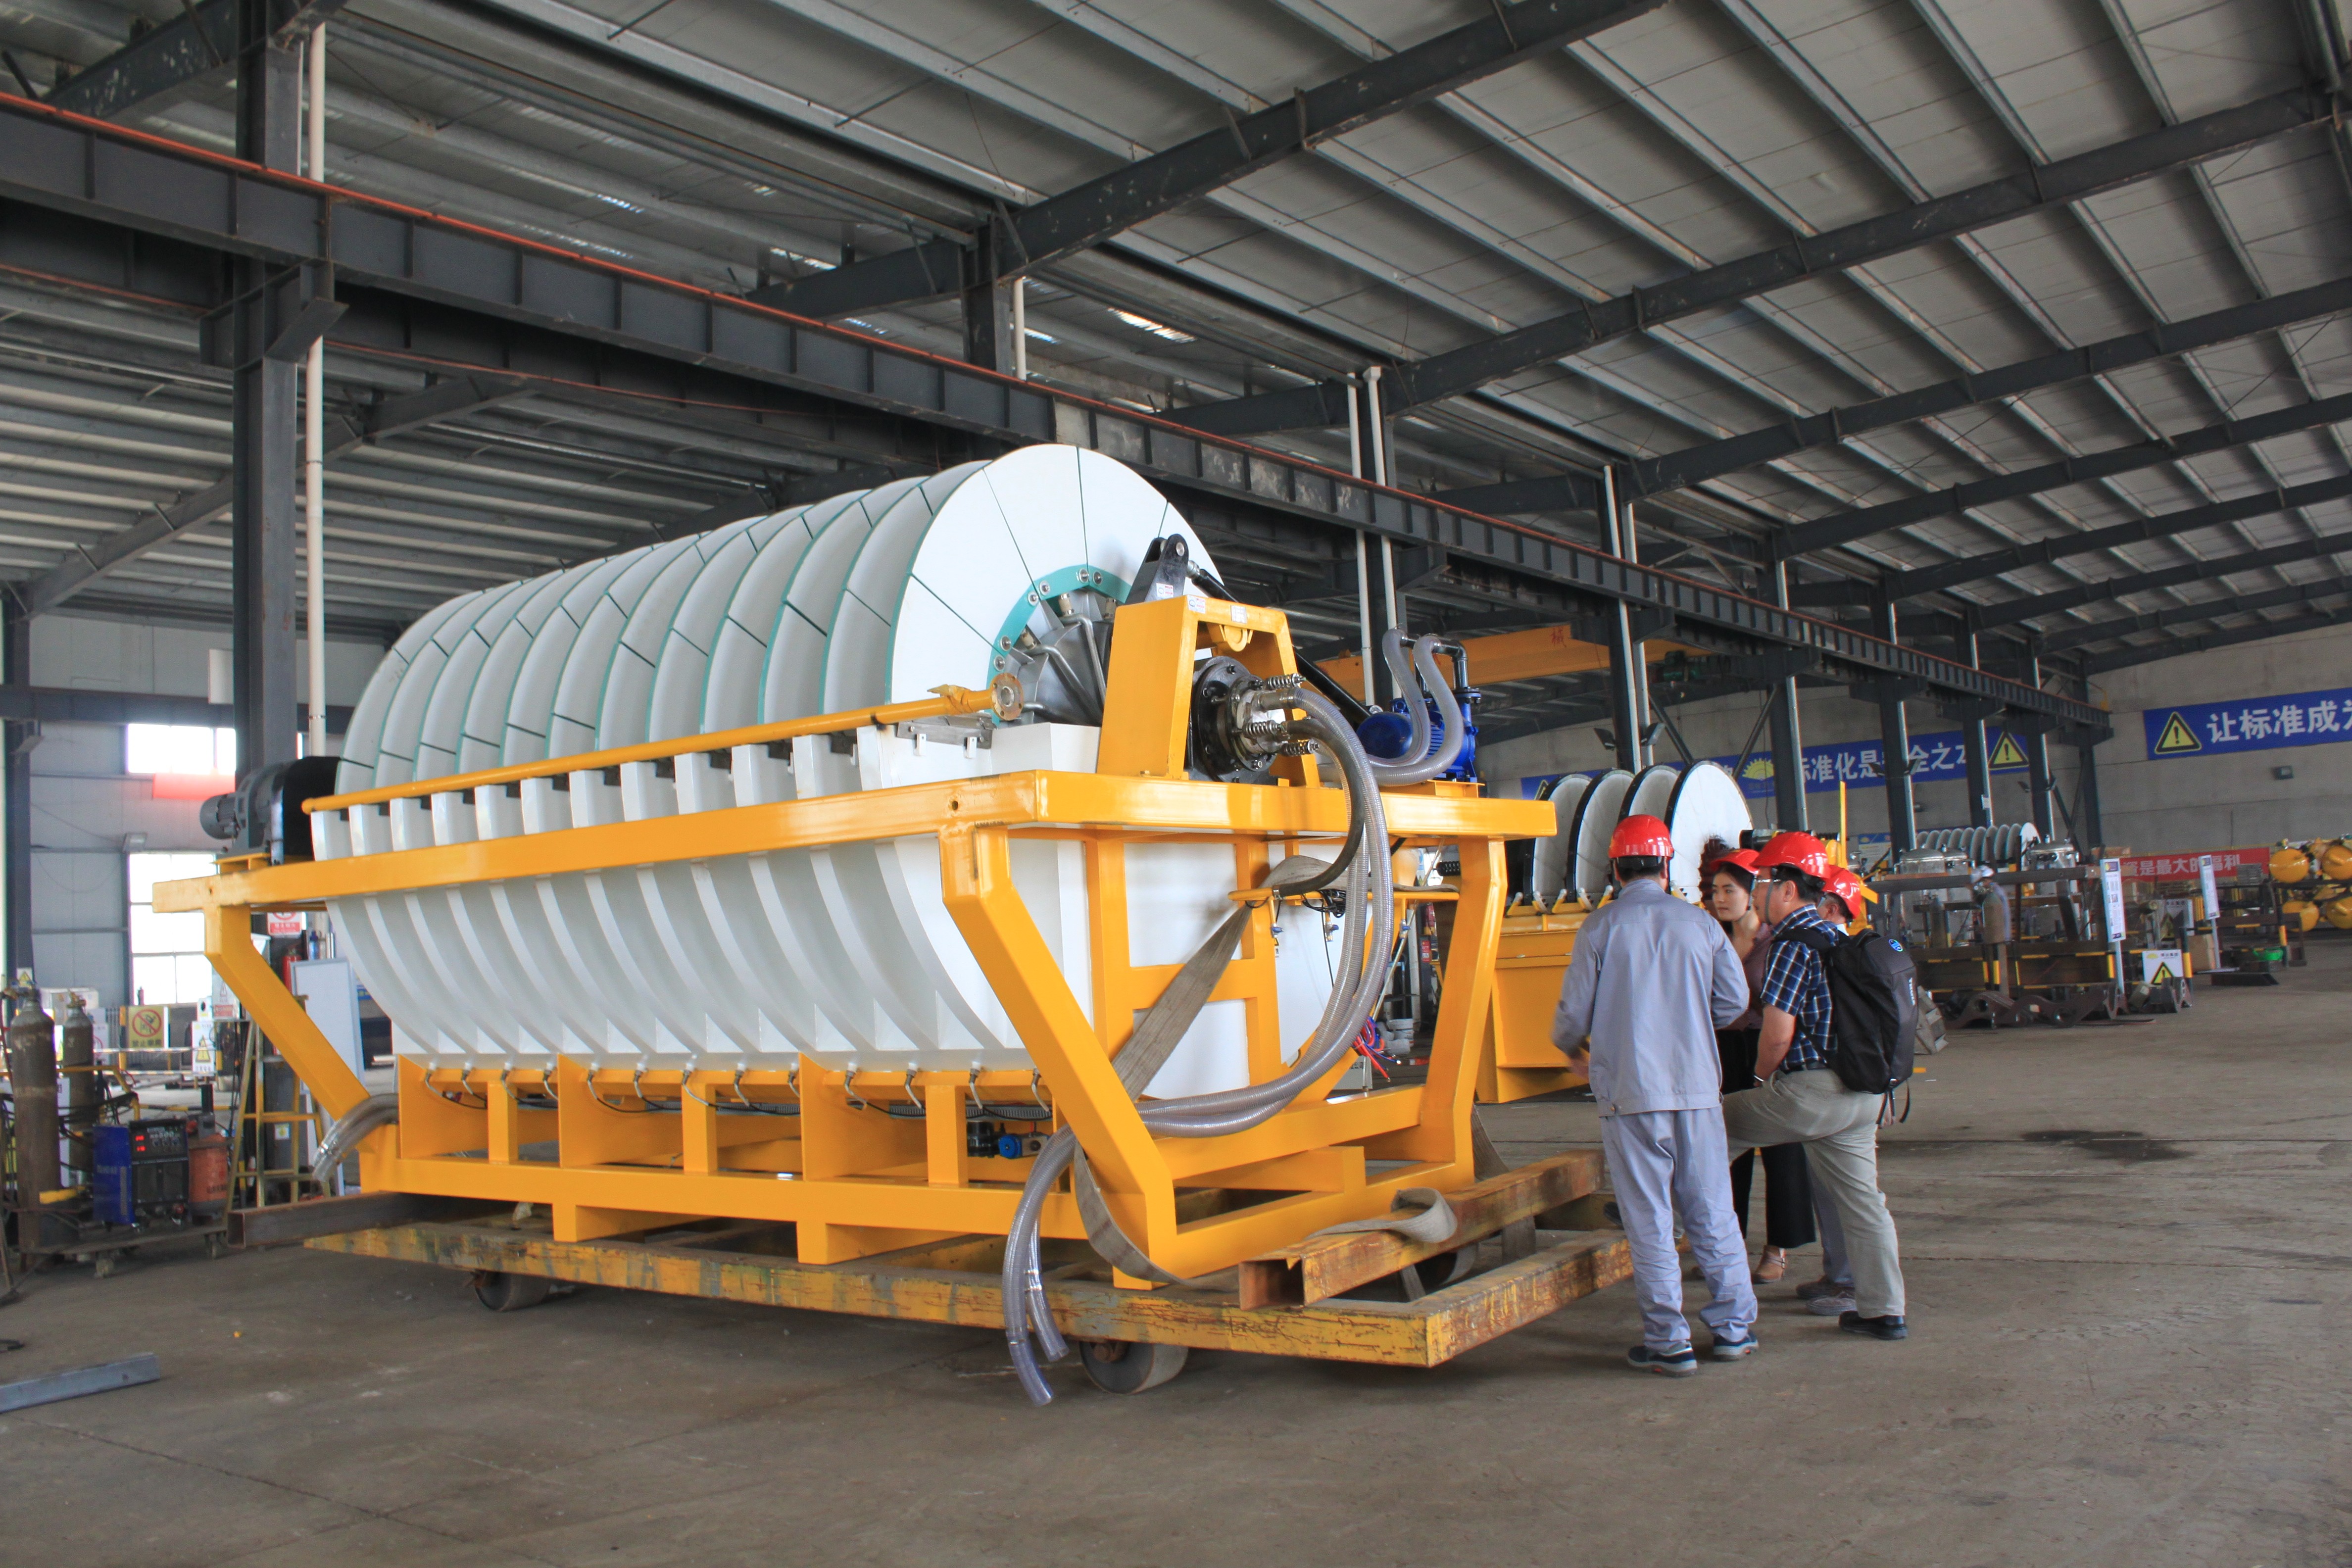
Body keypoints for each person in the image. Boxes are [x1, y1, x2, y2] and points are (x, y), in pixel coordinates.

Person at [1554, 814, 1757, 1375]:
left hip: (1631, 1094)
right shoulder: (1701, 925)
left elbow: (1573, 1013)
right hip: (1696, 1091)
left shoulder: (1600, 928)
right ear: (1666, 867)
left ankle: (1670, 1342)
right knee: (1712, 1212)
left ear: (1616, 869)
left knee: (1649, 1220)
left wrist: (1571, 1047)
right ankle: (1734, 1330)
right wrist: (1688, 1019)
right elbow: (1733, 1001)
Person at [1719, 831, 1910, 1342]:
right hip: (1862, 1095)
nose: (1757, 892)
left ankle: (1659, 1223)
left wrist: (1760, 1082)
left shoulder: (1791, 944)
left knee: (1706, 1126)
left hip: (1813, 1094)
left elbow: (1777, 1035)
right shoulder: (1837, 937)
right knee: (1865, 1204)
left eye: (1763, 882)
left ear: (1787, 890)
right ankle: (1885, 1312)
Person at [1702, 841, 1814, 1283]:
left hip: (1767, 1046)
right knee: (1726, 1152)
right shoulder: (1714, 938)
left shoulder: (1775, 942)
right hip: (1724, 1050)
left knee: (1782, 1149)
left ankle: (1777, 1249)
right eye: (1715, 891)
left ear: (1754, 893)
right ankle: (1726, 1245)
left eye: (1729, 889)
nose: (1719, 899)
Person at [1973, 865, 2012, 996]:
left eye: (1980, 882)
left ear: (1986, 880)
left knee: (1998, 974)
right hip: (1999, 938)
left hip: (1999, 939)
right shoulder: (1994, 892)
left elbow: (1984, 903)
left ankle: (1998, 995)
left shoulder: (1993, 894)